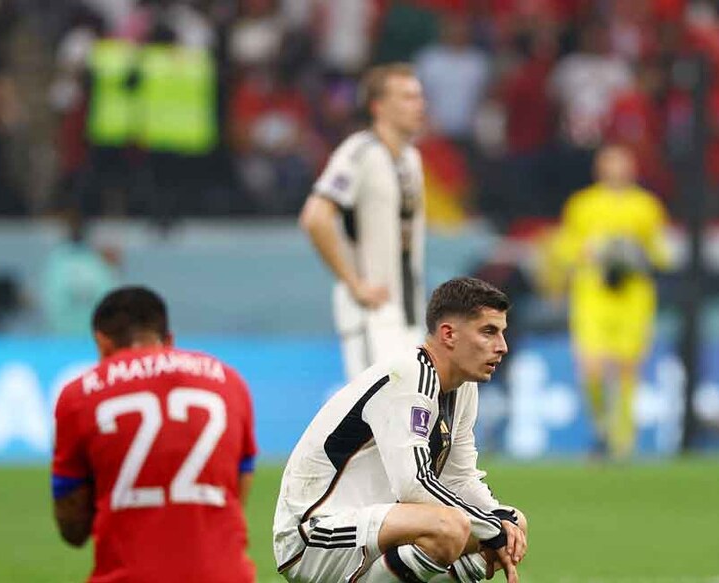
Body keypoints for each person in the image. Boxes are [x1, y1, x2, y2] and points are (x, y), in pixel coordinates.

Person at [273, 277, 528, 583]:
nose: (502, 347)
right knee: (450, 527)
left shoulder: (462, 387)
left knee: (513, 523)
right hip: (313, 535)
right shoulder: (409, 375)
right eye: (488, 332)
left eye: (502, 332)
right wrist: (491, 528)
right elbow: (414, 484)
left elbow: (459, 477)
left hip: (372, 527)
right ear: (448, 334)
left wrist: (500, 523)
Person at [51, 286, 258, 583]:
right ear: (169, 340)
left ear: (102, 342)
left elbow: (73, 529)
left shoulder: (79, 395)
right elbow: (238, 491)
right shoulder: (229, 382)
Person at [299, 62, 427, 380]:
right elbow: (315, 217)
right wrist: (355, 284)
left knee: (406, 419)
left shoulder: (412, 159)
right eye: (407, 97)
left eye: (419, 96)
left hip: (408, 311)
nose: (419, 105)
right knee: (375, 418)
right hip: (373, 312)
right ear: (378, 106)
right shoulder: (359, 152)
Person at [554, 145, 670, 459]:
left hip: (633, 296)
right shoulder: (583, 205)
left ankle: (622, 442)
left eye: (622, 164)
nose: (616, 170)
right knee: (591, 366)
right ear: (599, 169)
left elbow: (662, 253)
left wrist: (636, 254)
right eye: (610, 164)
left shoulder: (646, 206)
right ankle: (601, 425)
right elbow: (564, 248)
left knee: (627, 368)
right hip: (593, 294)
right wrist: (590, 250)